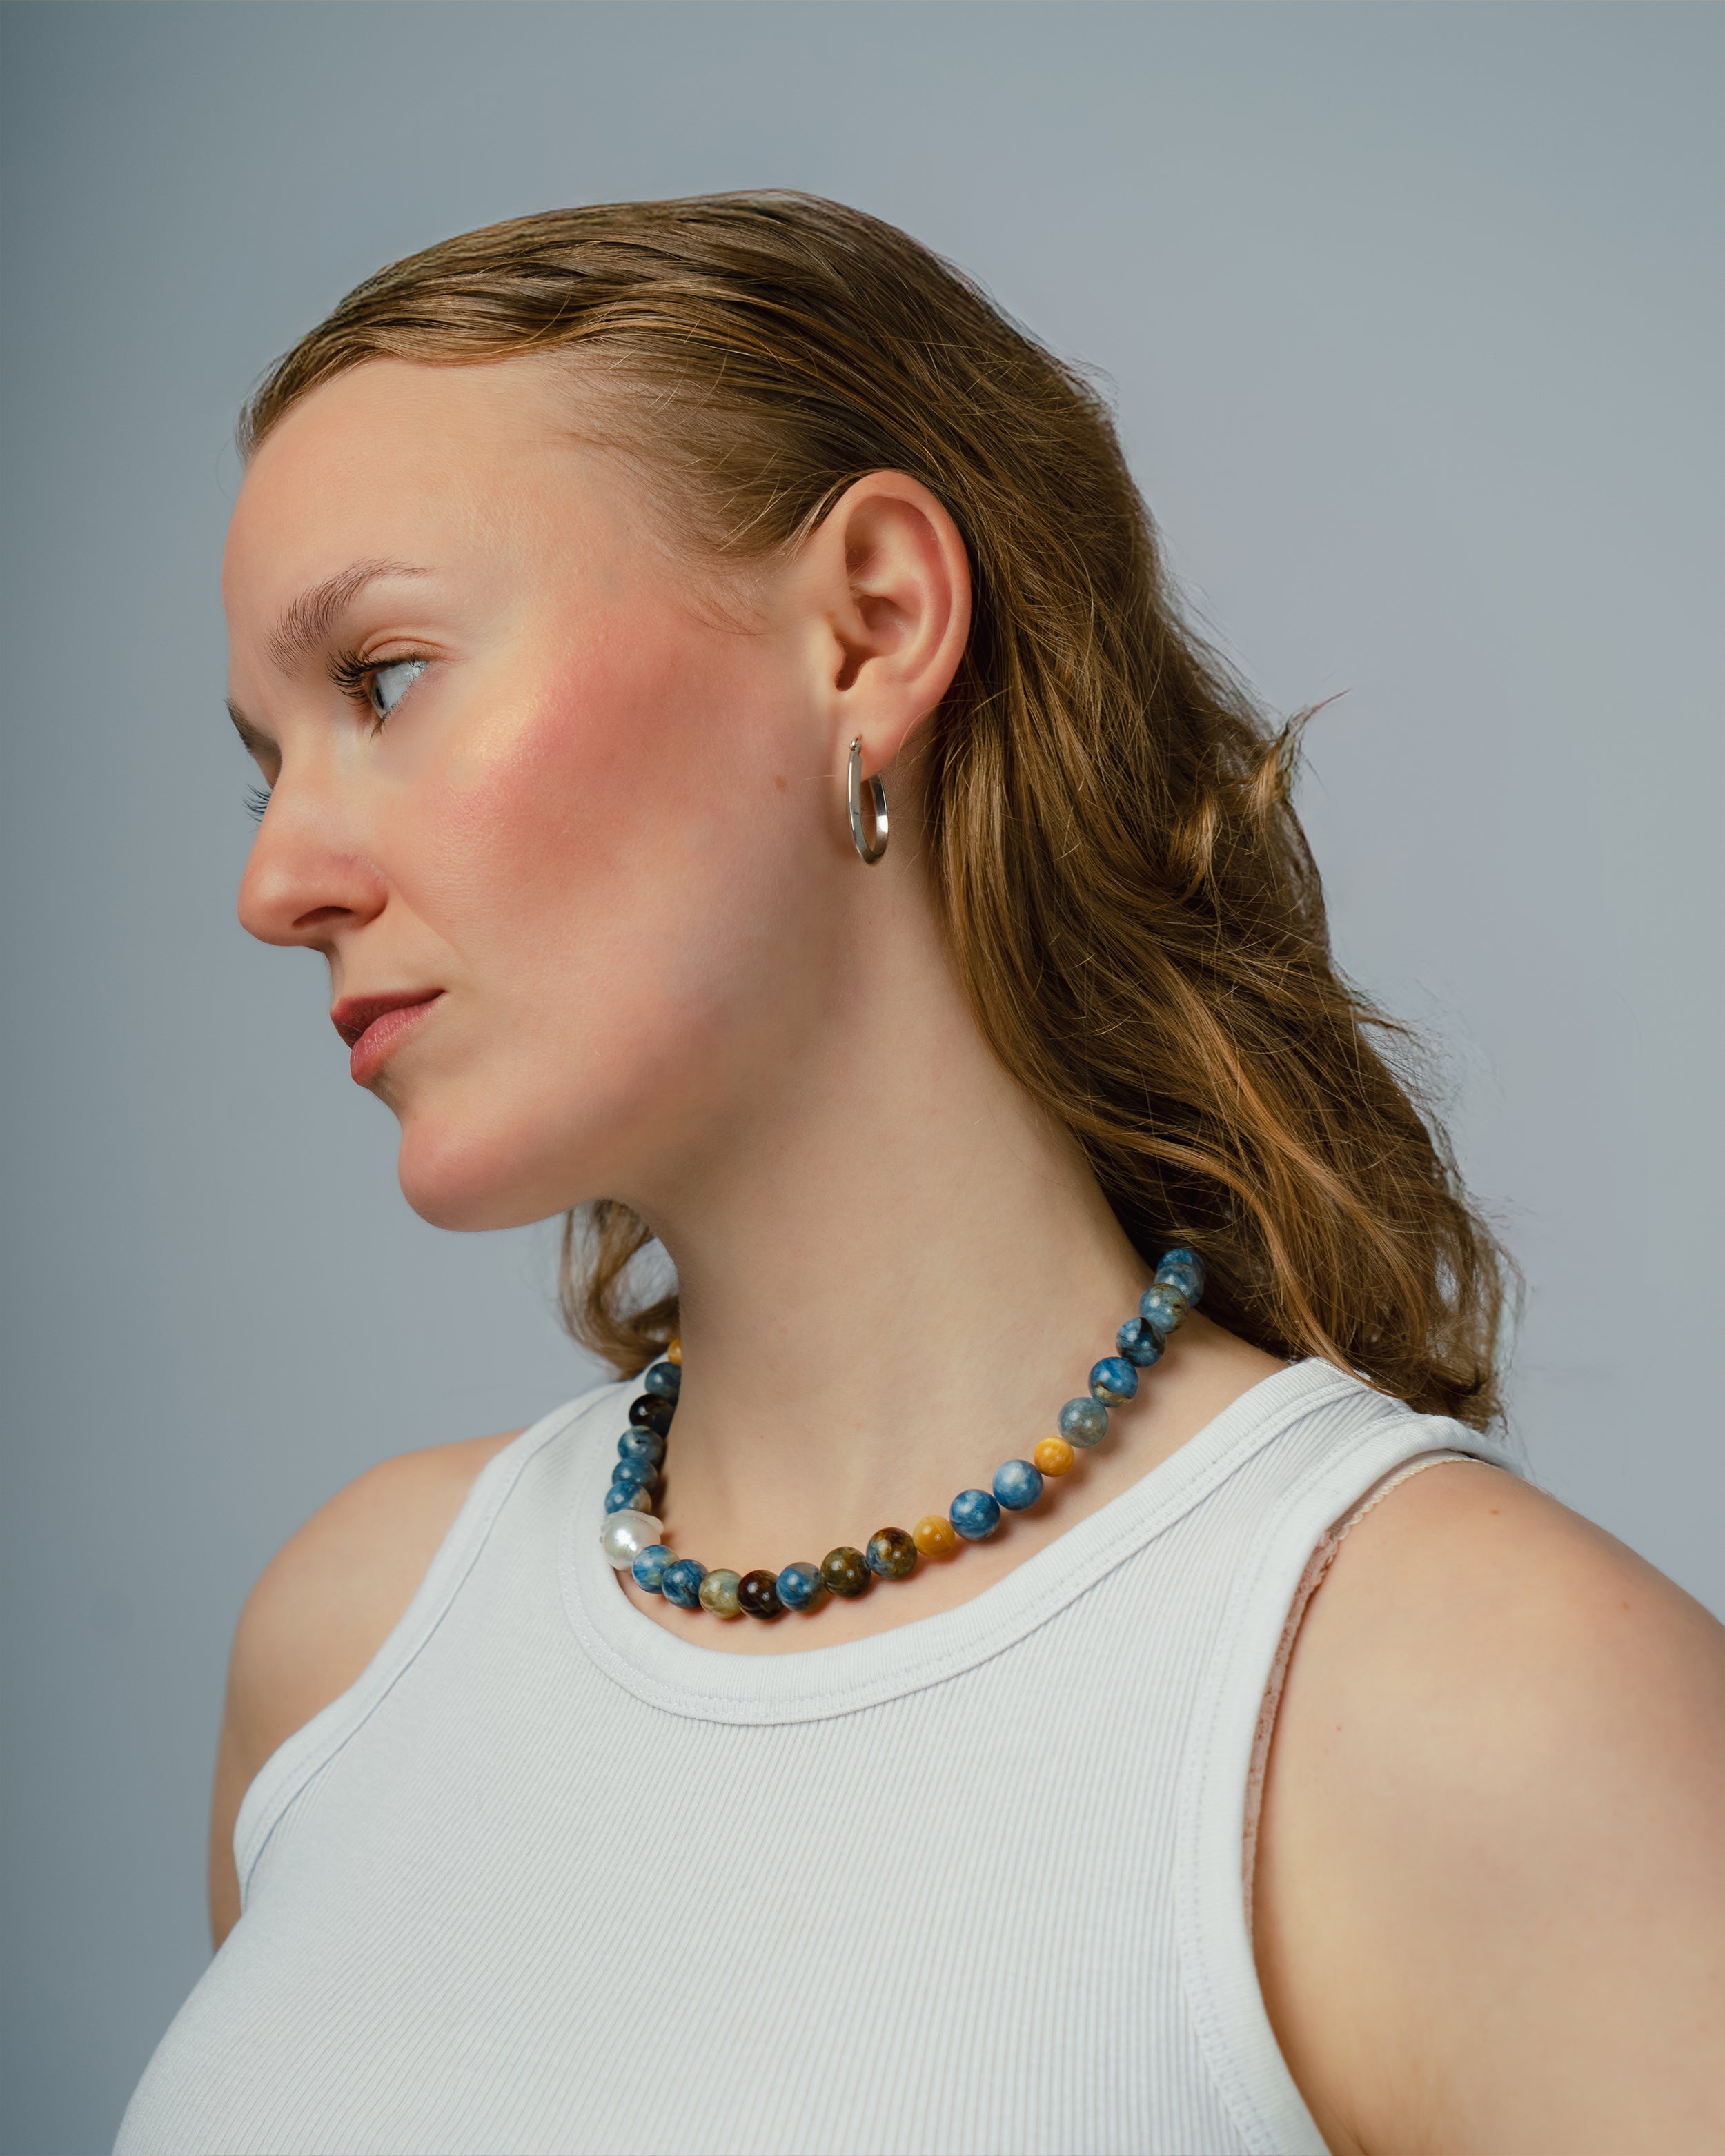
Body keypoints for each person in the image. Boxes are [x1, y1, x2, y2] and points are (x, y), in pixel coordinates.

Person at [115, 193, 1724, 2156]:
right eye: (265, 761)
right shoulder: (351, 1648)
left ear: (870, 625)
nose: (276, 881)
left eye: (381, 681)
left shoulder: (1464, 1710)